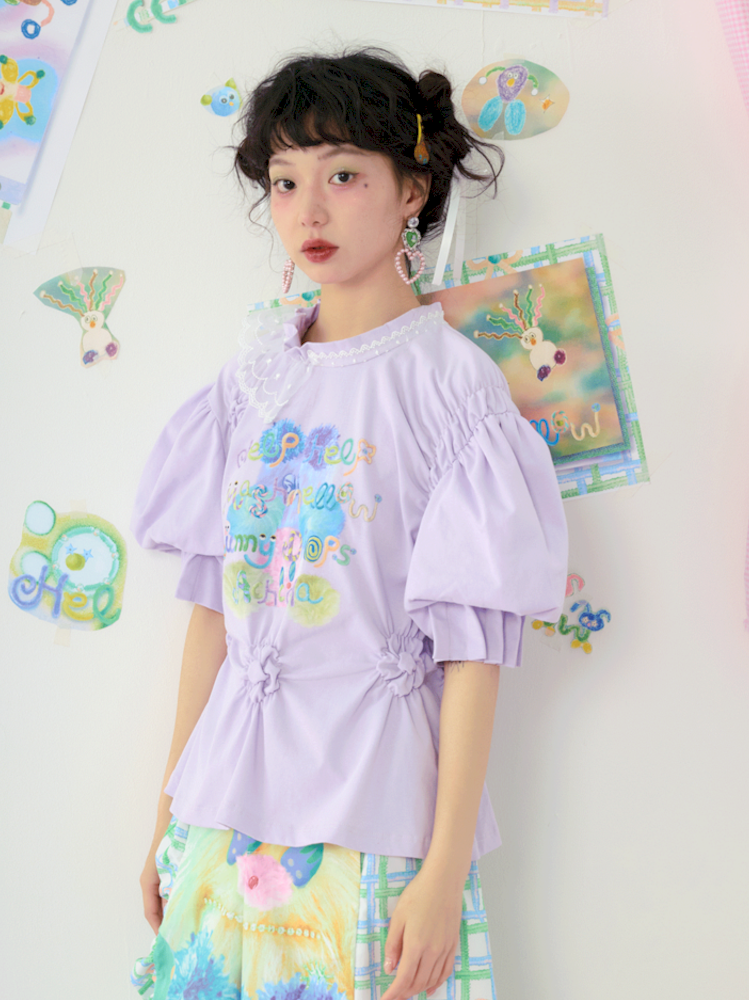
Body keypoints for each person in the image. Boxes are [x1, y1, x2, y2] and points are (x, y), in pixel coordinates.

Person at [129, 47, 568, 1000]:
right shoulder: (252, 378)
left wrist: (443, 871)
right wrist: (167, 816)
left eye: (342, 176)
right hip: (222, 808)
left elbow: (473, 652)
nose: (309, 212)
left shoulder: (452, 390)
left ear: (412, 189)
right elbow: (214, 614)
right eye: (286, 182)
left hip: (375, 816)